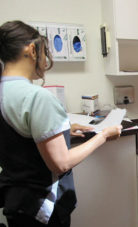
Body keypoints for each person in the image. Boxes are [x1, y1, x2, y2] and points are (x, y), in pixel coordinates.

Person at [0, 20, 122, 227]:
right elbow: (60, 163)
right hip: (42, 208)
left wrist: (64, 130)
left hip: (15, 202)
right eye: (44, 52)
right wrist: (103, 136)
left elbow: (17, 136)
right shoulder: (37, 97)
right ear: (31, 50)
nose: (46, 59)